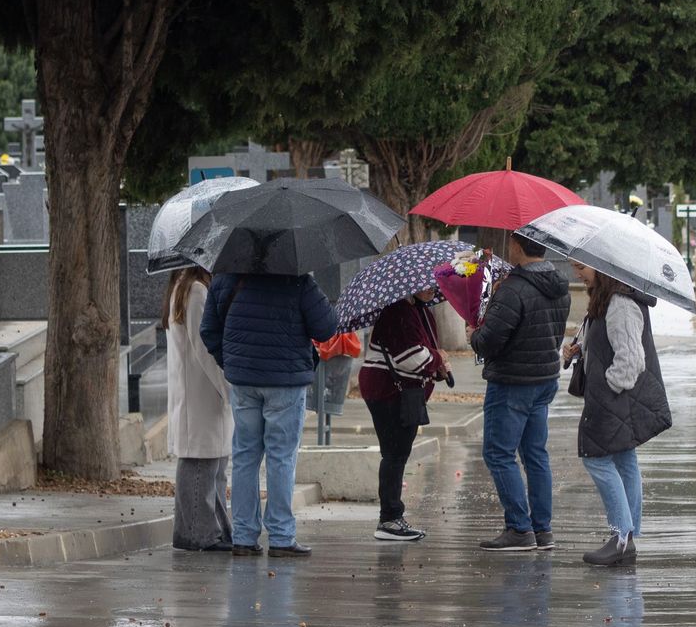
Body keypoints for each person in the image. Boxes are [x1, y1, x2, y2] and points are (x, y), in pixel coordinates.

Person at [200, 271, 336, 558]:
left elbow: (209, 330)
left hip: (244, 382)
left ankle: (244, 536)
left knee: (245, 456)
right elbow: (326, 328)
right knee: (281, 457)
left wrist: (231, 363)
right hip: (286, 381)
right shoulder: (297, 278)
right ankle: (282, 536)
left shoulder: (226, 276)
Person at [468, 232, 572, 552]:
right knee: (535, 455)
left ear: (516, 245)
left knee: (499, 454)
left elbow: (489, 341)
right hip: (544, 380)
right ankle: (542, 530)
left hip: (512, 382)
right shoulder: (560, 286)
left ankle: (518, 528)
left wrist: (474, 333)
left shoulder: (514, 290)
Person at [563, 262, 671, 567]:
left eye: (581, 267)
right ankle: (627, 538)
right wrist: (579, 349)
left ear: (603, 269)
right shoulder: (608, 299)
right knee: (624, 460)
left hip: (612, 399)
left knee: (596, 459)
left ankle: (621, 536)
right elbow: (607, 343)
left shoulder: (621, 304)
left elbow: (631, 359)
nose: (577, 273)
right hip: (615, 398)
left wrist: (608, 387)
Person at [358, 288, 450, 541]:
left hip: (403, 393)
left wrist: (437, 365)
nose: (430, 288)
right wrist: (437, 358)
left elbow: (424, 353)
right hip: (388, 391)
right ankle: (389, 519)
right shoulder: (398, 311)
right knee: (395, 454)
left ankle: (391, 517)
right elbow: (411, 358)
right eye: (425, 284)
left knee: (398, 453)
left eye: (433, 283)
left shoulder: (419, 311)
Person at [161, 267, 233, 551]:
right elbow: (205, 347)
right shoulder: (195, 290)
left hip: (200, 393)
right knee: (202, 466)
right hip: (203, 393)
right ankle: (200, 533)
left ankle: (212, 530)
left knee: (211, 466)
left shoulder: (185, 286)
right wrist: (227, 386)